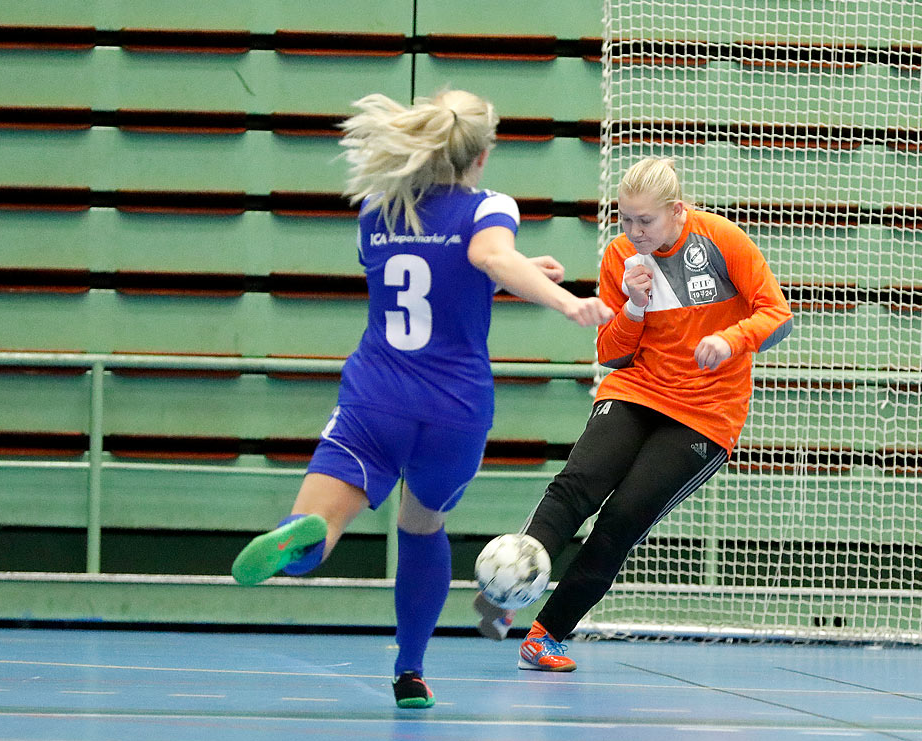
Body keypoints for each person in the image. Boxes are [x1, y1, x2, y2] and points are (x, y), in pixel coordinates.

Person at [231, 89, 612, 708]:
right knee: (421, 526)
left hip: (375, 398)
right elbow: (481, 256)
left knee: (319, 527)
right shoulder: (490, 207)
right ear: (481, 156)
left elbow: (430, 284)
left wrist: (507, 271)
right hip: (454, 412)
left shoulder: (378, 210)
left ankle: (299, 541)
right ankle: (410, 670)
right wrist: (564, 300)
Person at [475, 156, 793, 671]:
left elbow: (776, 314)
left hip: (705, 414)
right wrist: (633, 309)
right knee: (577, 485)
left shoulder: (722, 240)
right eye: (625, 219)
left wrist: (730, 339)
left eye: (645, 220)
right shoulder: (621, 254)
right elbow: (611, 352)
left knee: (622, 520)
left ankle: (545, 635)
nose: (633, 231)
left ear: (676, 211)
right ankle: (509, 584)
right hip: (637, 389)